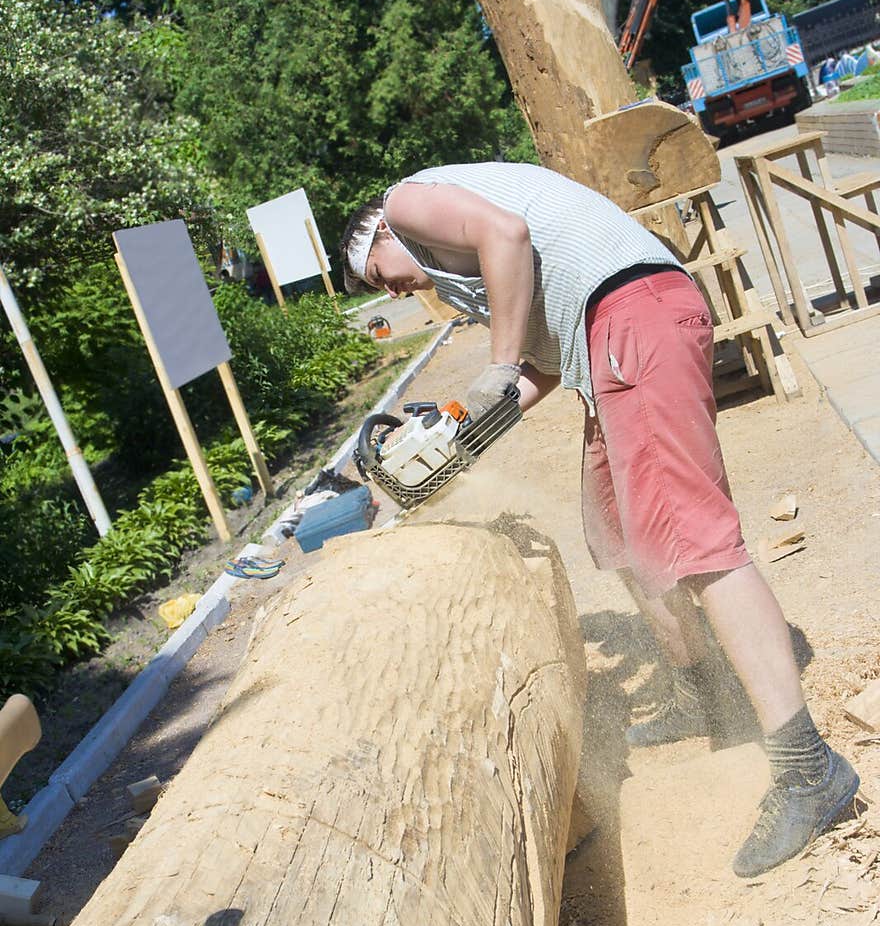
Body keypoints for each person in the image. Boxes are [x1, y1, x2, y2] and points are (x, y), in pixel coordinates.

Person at [340, 162, 859, 877]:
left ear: (378, 232)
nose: (390, 289)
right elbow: (539, 366)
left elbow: (507, 233)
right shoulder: (471, 269)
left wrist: (491, 371)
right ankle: (699, 691)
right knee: (617, 531)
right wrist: (457, 441)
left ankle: (808, 769)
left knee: (695, 542)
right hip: (604, 338)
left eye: (375, 272)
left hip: (633, 313)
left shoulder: (406, 204)